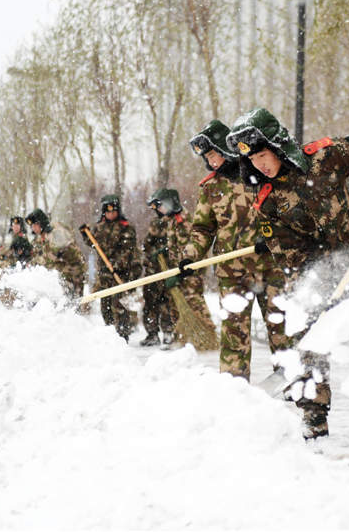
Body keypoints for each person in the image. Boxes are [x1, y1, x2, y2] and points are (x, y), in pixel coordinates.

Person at [226, 107, 349, 441]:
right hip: (316, 274)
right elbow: (289, 254)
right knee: (310, 343)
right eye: (253, 160)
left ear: (277, 146)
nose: (259, 165)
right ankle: (314, 417)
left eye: (263, 155)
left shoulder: (326, 157)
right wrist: (313, 290)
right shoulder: (267, 200)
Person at [180, 119, 291, 379]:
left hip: (271, 266)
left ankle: (291, 379)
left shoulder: (261, 174)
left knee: (281, 327)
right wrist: (189, 256)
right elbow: (202, 229)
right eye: (208, 157)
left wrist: (275, 237)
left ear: (225, 148)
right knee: (234, 335)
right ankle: (233, 385)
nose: (213, 161)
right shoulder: (211, 188)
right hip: (233, 273)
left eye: (215, 153)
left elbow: (287, 212)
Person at [142, 188, 216, 347]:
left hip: (191, 273)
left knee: (194, 303)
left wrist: (179, 275)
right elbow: (176, 247)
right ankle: (183, 339)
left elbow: (189, 251)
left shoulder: (184, 221)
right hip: (178, 271)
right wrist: (165, 252)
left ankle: (208, 337)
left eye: (161, 206)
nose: (160, 211)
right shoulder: (172, 221)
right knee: (175, 307)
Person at [80, 195, 141, 341]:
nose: (110, 214)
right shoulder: (99, 227)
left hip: (121, 273)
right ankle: (111, 335)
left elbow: (128, 250)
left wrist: (116, 265)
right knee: (105, 305)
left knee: (119, 305)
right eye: (108, 212)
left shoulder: (126, 227)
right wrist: (85, 234)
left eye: (113, 211)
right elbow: (94, 244)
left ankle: (123, 335)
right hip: (105, 274)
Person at [26, 208, 88, 303]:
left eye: (34, 225)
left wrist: (38, 262)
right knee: (67, 303)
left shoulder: (56, 232)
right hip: (64, 272)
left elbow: (52, 258)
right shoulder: (43, 235)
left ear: (41, 223)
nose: (33, 228)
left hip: (74, 271)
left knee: (75, 303)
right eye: (31, 226)